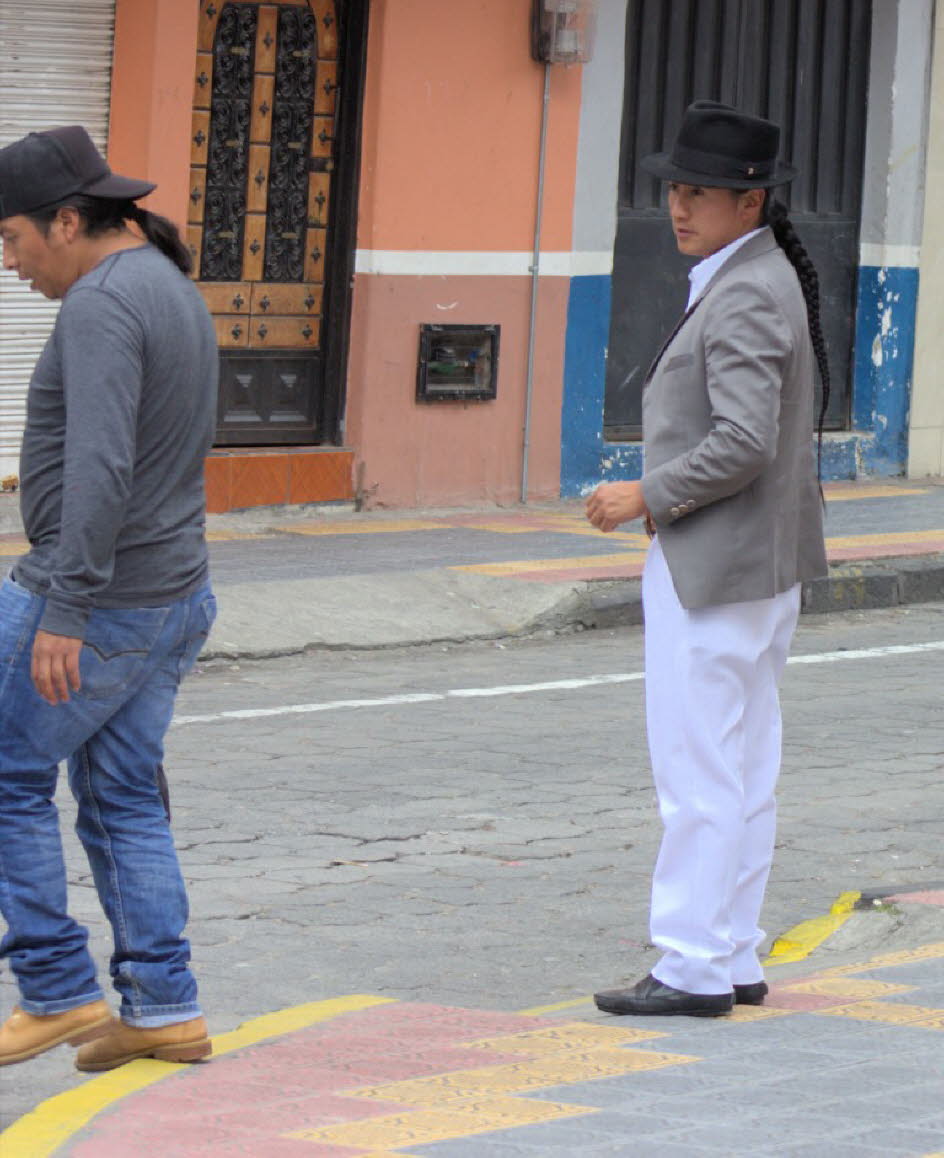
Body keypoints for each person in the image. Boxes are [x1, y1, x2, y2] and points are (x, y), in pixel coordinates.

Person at [586, 101, 828, 1016]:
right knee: (741, 765)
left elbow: (743, 442)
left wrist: (645, 494)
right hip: (754, 566)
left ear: (750, 200)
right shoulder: (751, 277)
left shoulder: (748, 290)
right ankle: (729, 951)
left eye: (702, 193)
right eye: (677, 189)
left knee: (699, 772)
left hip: (715, 564)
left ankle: (690, 965)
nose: (680, 208)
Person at [0, 126, 218, 1068]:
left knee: (4, 778)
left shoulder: (100, 303)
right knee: (123, 795)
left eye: (11, 239)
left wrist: (66, 609)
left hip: (101, 598)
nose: (10, 264)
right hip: (172, 592)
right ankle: (164, 1009)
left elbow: (101, 465)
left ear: (67, 219)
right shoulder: (168, 286)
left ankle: (55, 990)